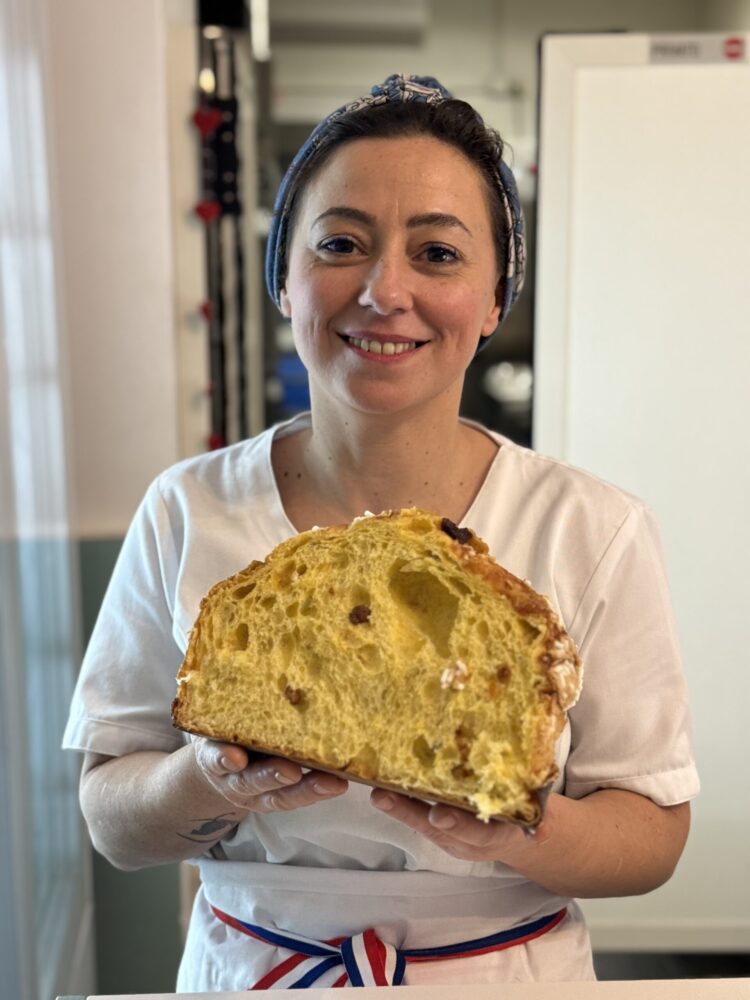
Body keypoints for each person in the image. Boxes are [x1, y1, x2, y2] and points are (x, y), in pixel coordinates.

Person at [63, 74, 699, 991]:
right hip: (257, 966)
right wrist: (209, 780)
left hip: (500, 973)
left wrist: (521, 827)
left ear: (494, 300)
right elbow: (112, 821)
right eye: (340, 244)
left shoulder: (591, 527)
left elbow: (653, 834)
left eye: (437, 253)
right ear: (286, 282)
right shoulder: (188, 509)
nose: (384, 290)